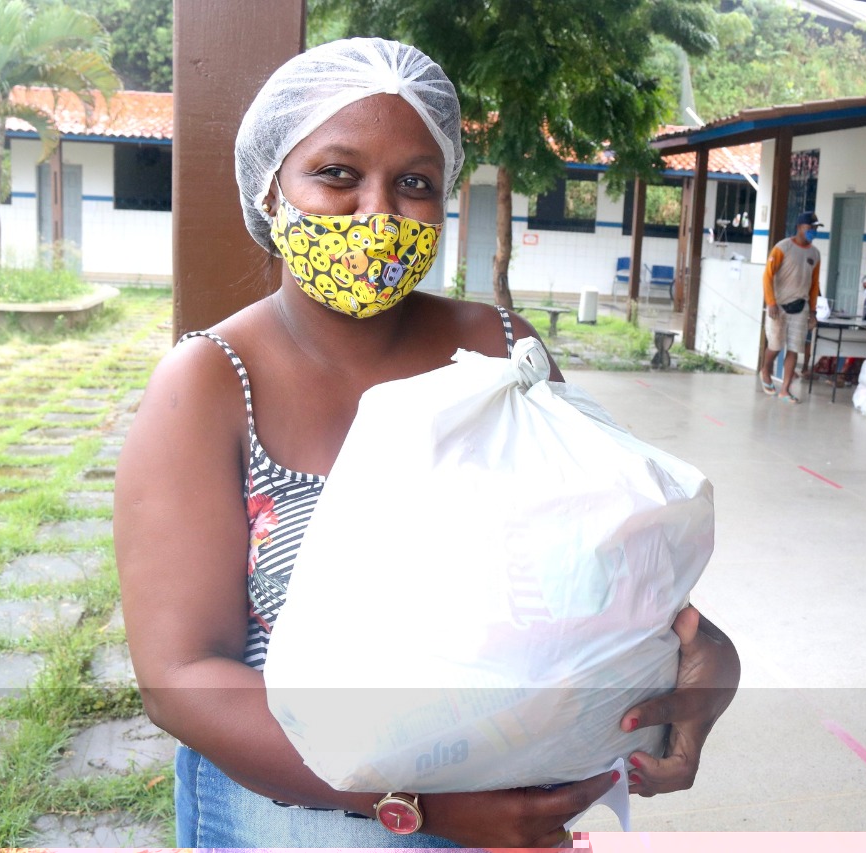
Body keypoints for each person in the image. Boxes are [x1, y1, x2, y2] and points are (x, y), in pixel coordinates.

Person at [113, 38, 739, 849]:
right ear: (271, 188)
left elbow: (585, 574)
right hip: (293, 817)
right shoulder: (209, 383)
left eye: (413, 182)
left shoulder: (500, 352)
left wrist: (692, 659)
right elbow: (182, 677)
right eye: (337, 173)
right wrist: (421, 807)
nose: (377, 210)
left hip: (509, 816)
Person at [760, 211, 822, 403]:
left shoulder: (815, 254)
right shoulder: (782, 248)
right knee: (776, 345)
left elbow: (814, 285)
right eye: (810, 227)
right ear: (800, 227)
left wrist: (812, 311)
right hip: (779, 307)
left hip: (801, 307)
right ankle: (765, 369)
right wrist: (770, 302)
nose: (813, 231)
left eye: (816, 228)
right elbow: (767, 276)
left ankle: (785, 390)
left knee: (794, 349)